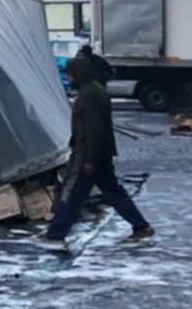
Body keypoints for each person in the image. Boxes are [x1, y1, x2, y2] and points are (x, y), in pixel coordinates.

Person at [35, 56, 154, 246]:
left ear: (77, 74)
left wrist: (88, 159)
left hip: (86, 154)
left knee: (71, 192)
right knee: (111, 191)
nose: (70, 78)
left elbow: (92, 130)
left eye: (71, 74)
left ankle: (56, 233)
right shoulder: (97, 91)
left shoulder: (87, 96)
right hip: (101, 153)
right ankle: (141, 226)